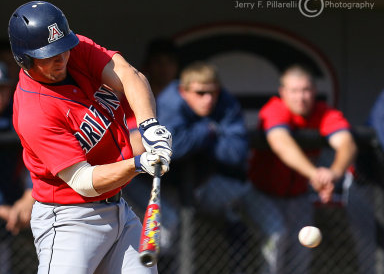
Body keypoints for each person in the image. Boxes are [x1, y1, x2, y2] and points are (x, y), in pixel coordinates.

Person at [8, 1, 172, 274]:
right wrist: (139, 163)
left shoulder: (75, 49)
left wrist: (149, 126)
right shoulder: (33, 111)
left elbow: (128, 75)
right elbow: (84, 182)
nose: (60, 58)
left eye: (63, 49)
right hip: (69, 220)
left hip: (117, 209)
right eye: (48, 55)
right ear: (24, 58)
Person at [247, 64, 375, 274]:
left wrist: (333, 173)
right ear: (283, 92)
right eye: (295, 90)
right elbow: (280, 142)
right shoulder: (275, 108)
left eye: (306, 90)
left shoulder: (323, 112)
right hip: (261, 193)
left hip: (298, 196)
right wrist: (315, 174)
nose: (301, 97)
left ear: (314, 92)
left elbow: (346, 144)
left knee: (301, 254)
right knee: (276, 237)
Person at [155, 61, 251, 270]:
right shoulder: (171, 101)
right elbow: (173, 147)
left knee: (243, 199)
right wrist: (208, 131)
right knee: (166, 232)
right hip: (153, 183)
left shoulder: (225, 102)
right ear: (184, 91)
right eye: (200, 93)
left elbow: (236, 153)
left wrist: (195, 139)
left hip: (199, 183)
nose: (208, 99)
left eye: (212, 93)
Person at [0, 59, 34, 273]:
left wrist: (30, 194)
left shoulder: (19, 115)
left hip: (17, 205)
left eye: (2, 88)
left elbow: (38, 154)